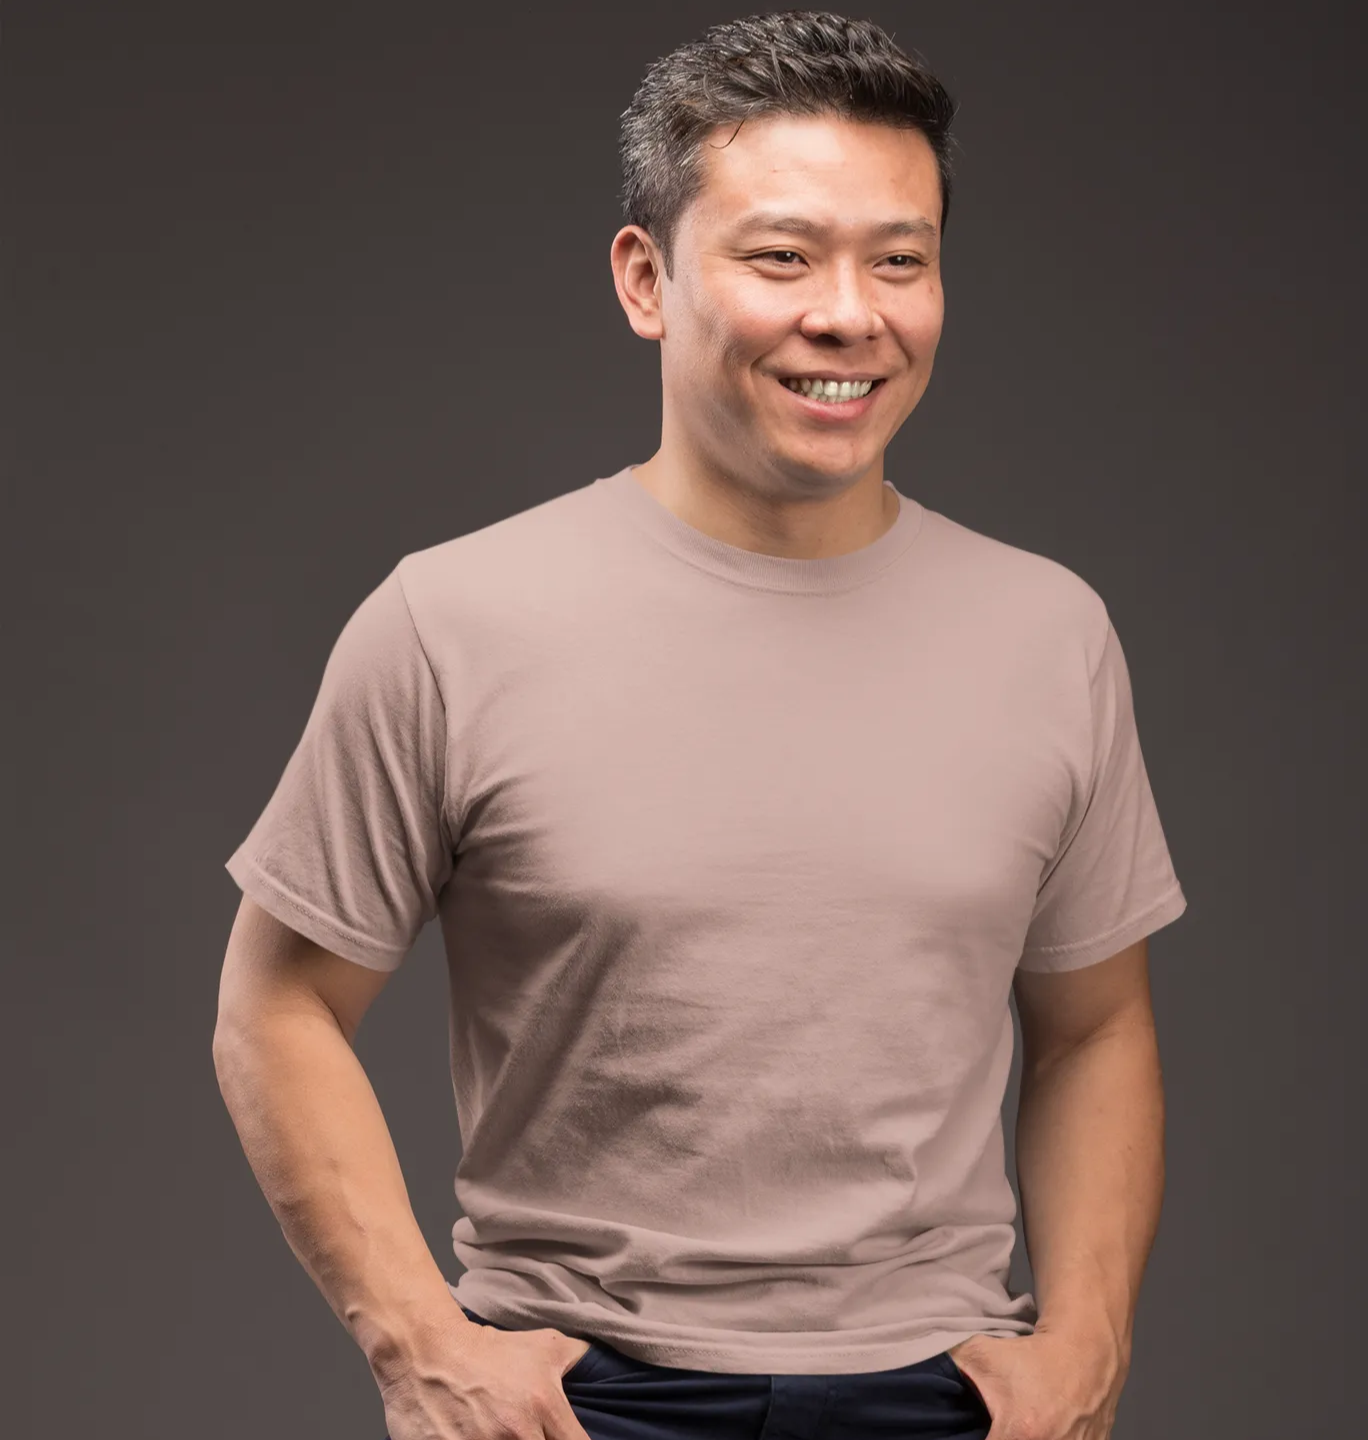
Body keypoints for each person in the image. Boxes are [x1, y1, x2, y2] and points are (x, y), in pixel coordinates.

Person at [213, 11, 1187, 1440]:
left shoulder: (1051, 633)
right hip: (574, 1398)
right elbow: (278, 1005)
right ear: (645, 279)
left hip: (946, 1397)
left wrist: (1088, 1344)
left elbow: (1098, 1029)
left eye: (900, 259)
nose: (850, 312)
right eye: (782, 256)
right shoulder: (453, 621)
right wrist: (419, 1341)